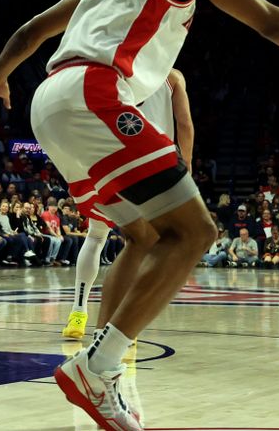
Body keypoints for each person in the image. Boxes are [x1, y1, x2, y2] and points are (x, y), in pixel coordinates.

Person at [0, 0, 279, 426]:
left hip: (50, 101)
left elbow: (29, 32)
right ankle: (98, 365)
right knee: (196, 233)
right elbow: (269, 21)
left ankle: (104, 369)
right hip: (97, 92)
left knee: (144, 236)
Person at [62, 68, 193, 340]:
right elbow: (185, 124)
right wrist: (187, 166)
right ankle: (120, 329)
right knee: (140, 244)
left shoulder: (114, 67)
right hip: (152, 165)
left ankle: (78, 312)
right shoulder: (174, 76)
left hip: (109, 156)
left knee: (96, 235)